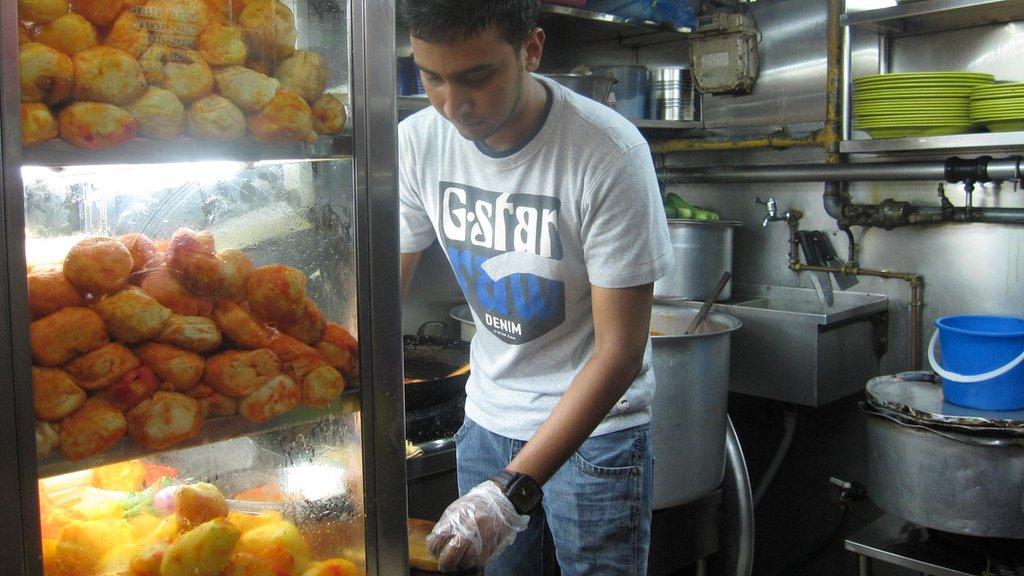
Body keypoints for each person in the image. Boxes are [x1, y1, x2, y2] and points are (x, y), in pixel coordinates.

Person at [398, 1, 673, 574]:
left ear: (531, 49)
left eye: (477, 77)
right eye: (432, 78)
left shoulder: (607, 153)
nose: (454, 105)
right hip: (488, 421)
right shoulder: (418, 143)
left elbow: (620, 353)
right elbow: (382, 292)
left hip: (599, 434)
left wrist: (510, 490)